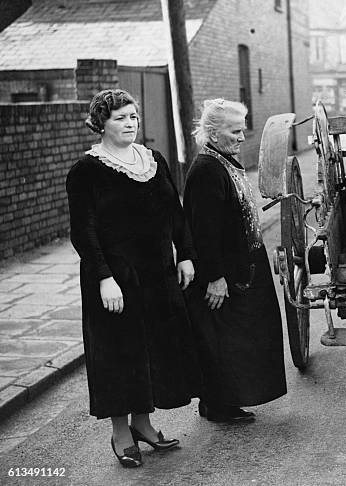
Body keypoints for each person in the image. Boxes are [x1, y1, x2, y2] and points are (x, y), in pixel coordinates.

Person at [66, 89, 201, 467]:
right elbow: (84, 231)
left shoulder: (153, 160)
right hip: (115, 278)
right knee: (119, 352)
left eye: (134, 117)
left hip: (157, 273)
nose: (130, 124)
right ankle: (121, 432)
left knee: (155, 348)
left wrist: (186, 254)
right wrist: (104, 277)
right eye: (120, 118)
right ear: (101, 124)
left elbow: (174, 212)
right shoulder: (86, 171)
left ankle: (143, 424)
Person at [184, 98, 286, 423]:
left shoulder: (223, 161)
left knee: (239, 337)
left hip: (240, 268)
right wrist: (214, 277)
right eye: (235, 131)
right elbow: (203, 231)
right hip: (223, 273)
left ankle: (222, 400)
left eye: (243, 130)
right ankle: (218, 405)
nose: (242, 137)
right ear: (213, 134)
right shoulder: (206, 170)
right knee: (224, 341)